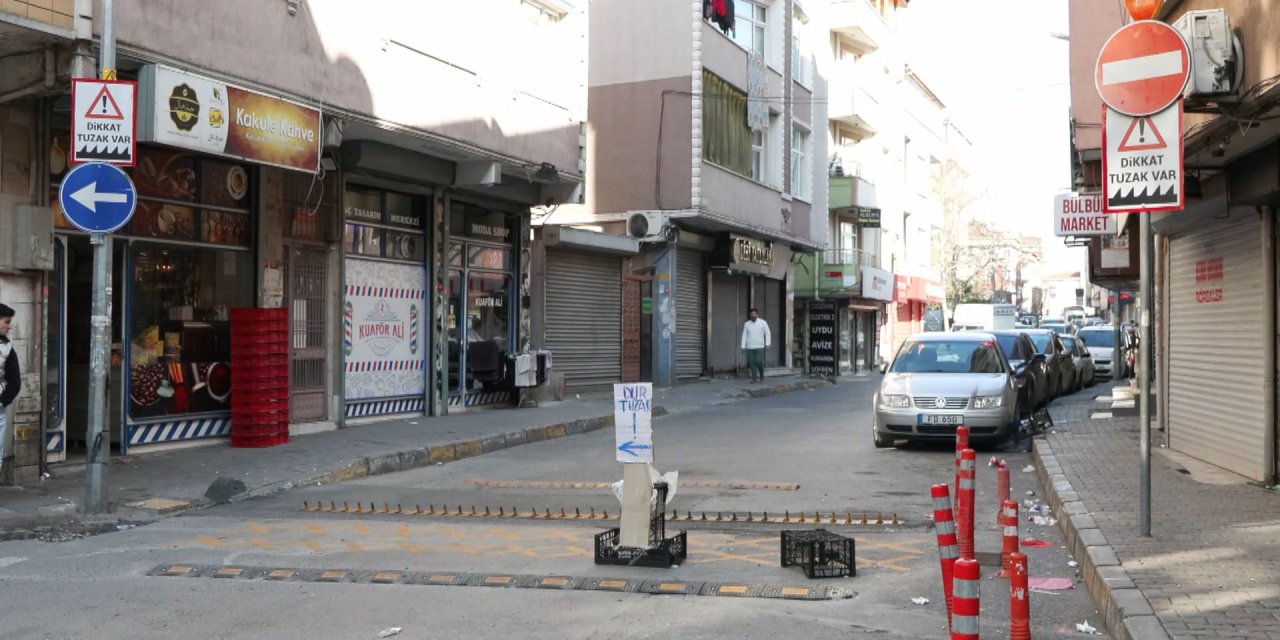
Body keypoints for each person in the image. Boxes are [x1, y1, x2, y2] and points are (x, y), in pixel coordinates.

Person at [0, 303, 21, 475]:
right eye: (6, 322)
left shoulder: (7, 349)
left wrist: (1, 402)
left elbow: (14, 382)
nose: (9, 326)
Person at [740, 307, 771, 384]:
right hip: (750, 347)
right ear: (750, 315)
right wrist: (743, 346)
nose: (753, 315)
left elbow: (767, 333)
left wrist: (767, 343)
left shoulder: (763, 323)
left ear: (757, 314)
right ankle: (754, 379)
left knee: (759, 362)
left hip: (760, 346)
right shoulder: (747, 324)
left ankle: (761, 375)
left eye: (754, 314)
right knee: (752, 363)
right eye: (752, 314)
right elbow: (744, 335)